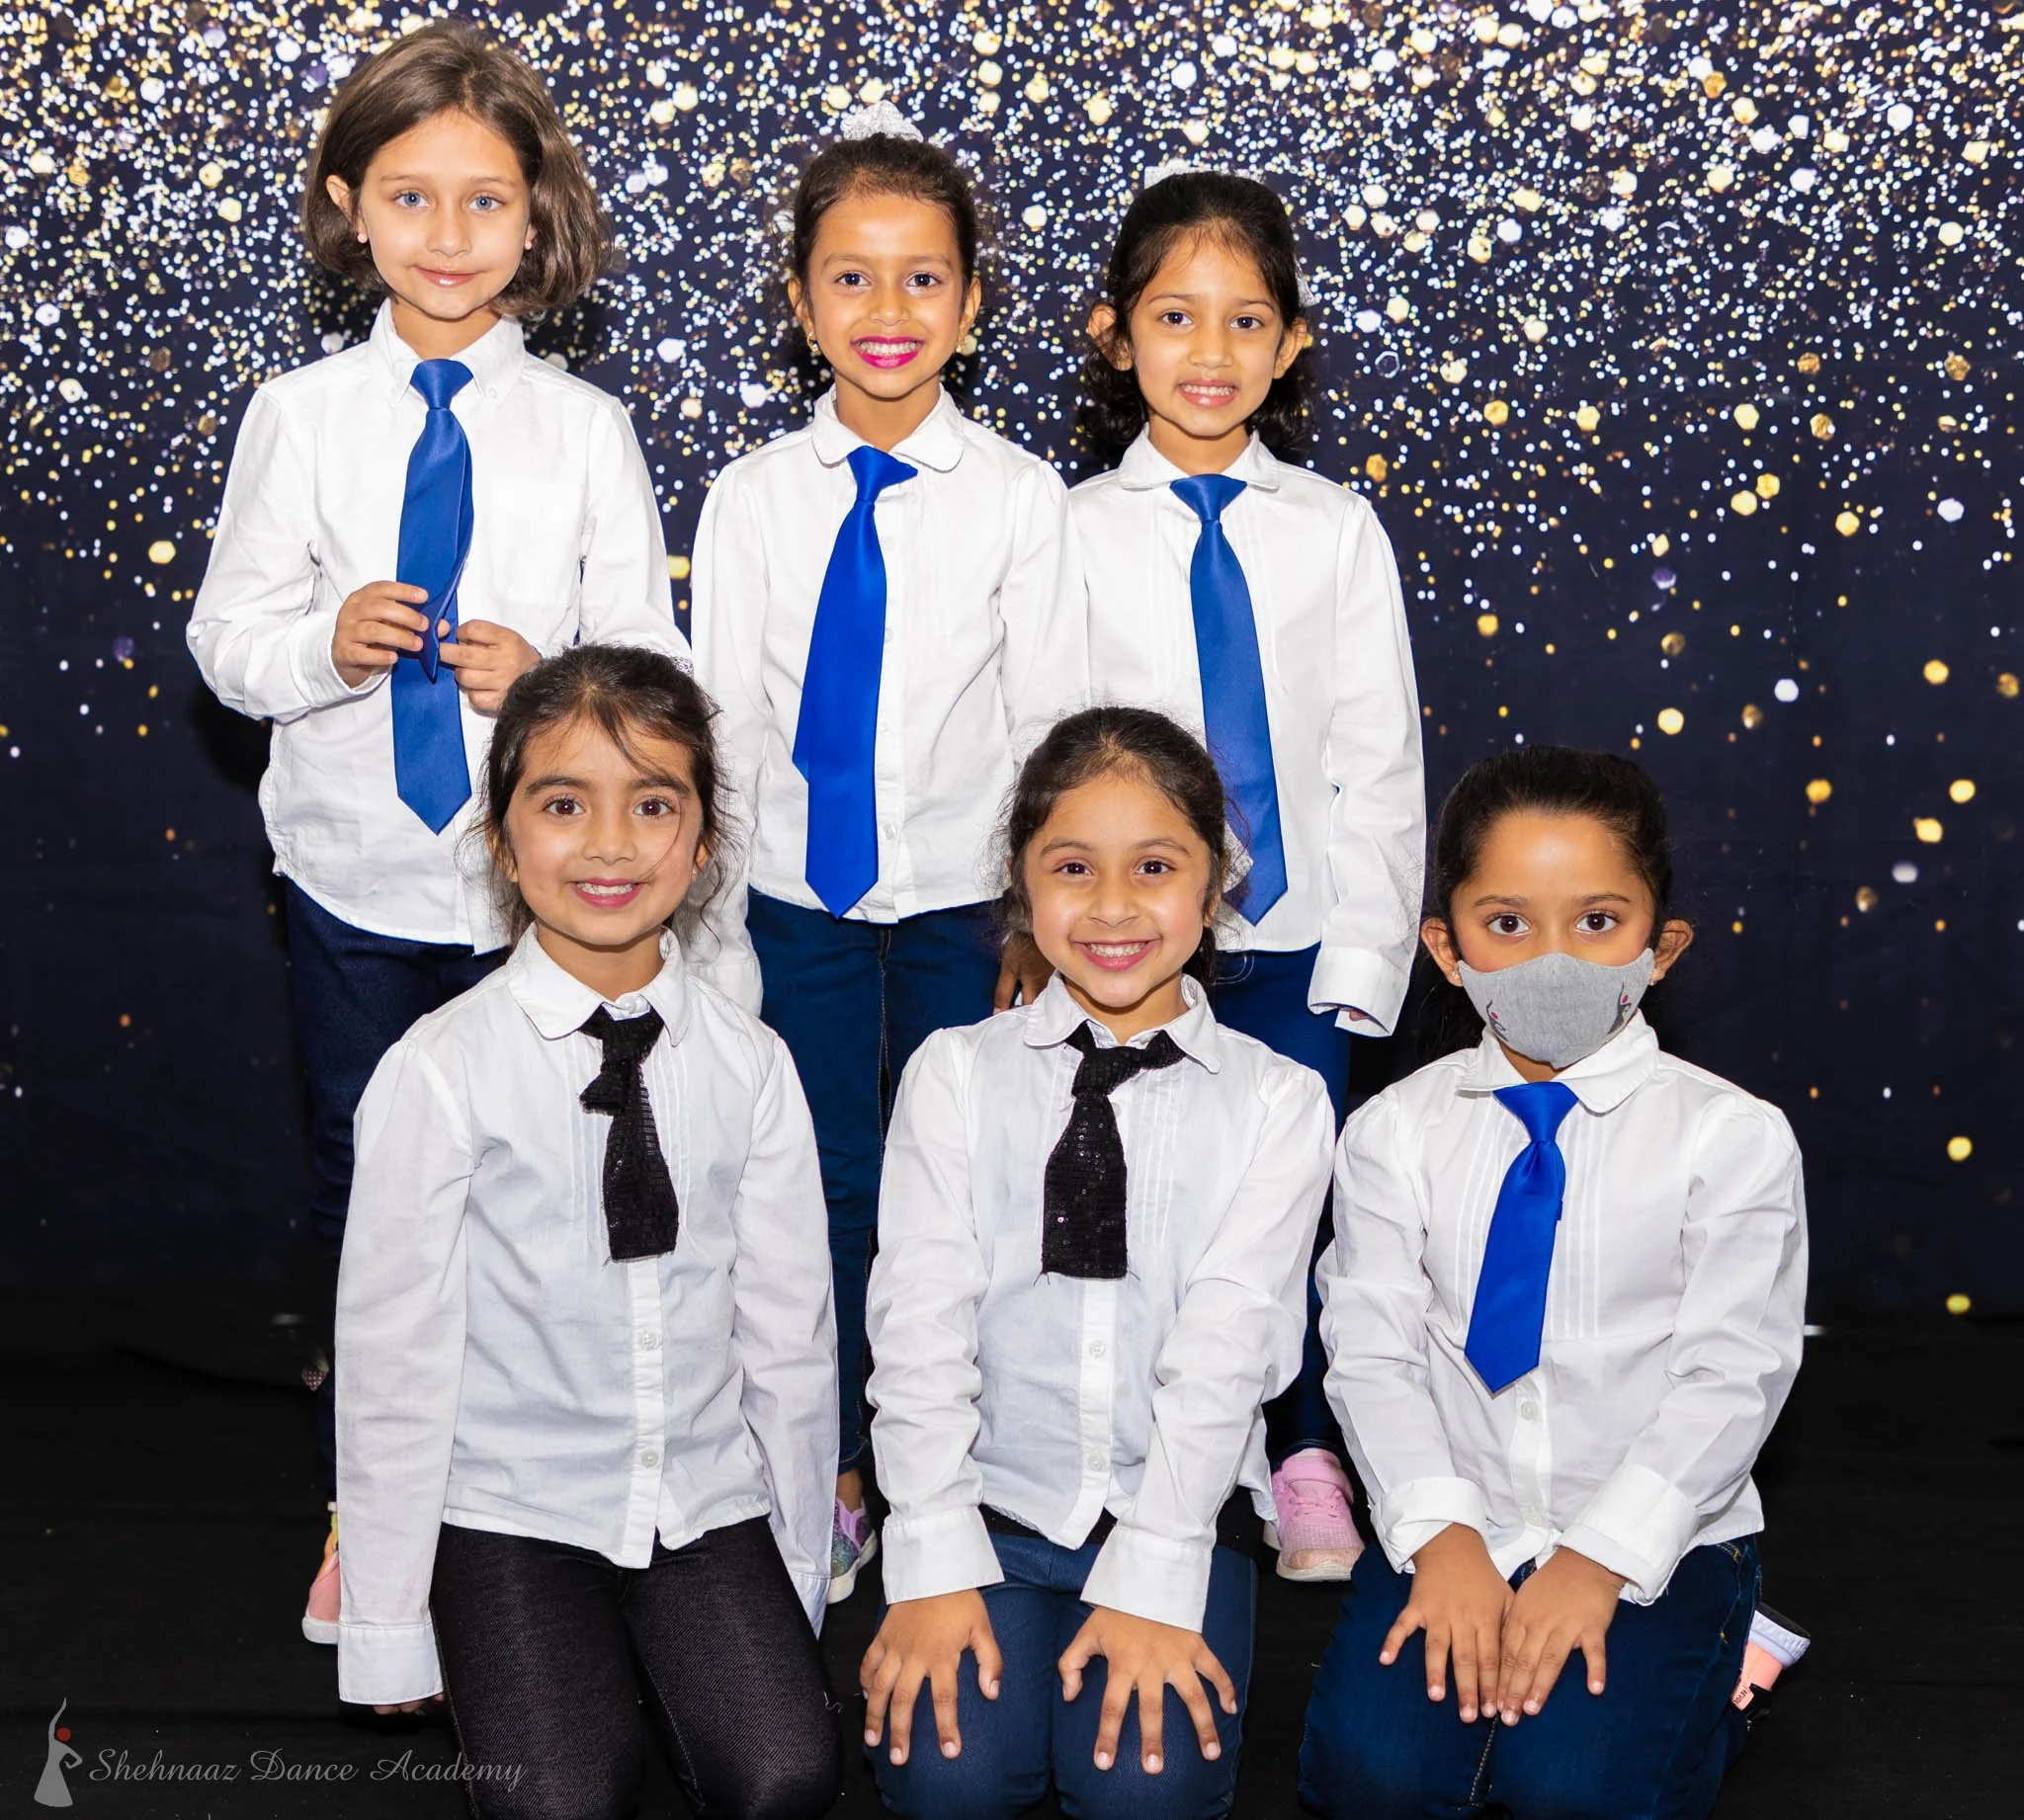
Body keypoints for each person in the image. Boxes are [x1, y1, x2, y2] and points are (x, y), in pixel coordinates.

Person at [183, 20, 685, 1640]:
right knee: (375, 1191)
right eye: (411, 197)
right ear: (349, 206)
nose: (449, 234)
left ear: (536, 216)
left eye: (485, 200)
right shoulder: (300, 415)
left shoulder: (584, 430)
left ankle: (550, 1499)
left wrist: (553, 677)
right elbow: (225, 642)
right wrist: (323, 646)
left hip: (544, 903)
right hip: (356, 879)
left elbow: (651, 669)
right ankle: (374, 1500)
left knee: (558, 1184)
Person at [690, 103, 1086, 1600]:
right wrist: (712, 927)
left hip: (964, 908)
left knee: (958, 1188)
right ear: (801, 304)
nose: (887, 309)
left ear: (972, 304)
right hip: (795, 900)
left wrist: (1036, 920)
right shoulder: (751, 497)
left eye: (923, 278)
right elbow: (722, 723)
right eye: (849, 277)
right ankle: (834, 1472)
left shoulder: (1019, 499)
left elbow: (1051, 724)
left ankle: (955, 1469)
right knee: (817, 1186)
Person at [334, 645, 840, 1820]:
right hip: (510, 1507)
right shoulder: (440, 1070)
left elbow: (790, 1341)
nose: (610, 845)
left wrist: (793, 1571)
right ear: (502, 843)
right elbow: (394, 1360)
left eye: (652, 806)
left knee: (787, 1773)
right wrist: (389, 1624)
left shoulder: (752, 1066)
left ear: (704, 844)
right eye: (563, 805)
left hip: (701, 1497)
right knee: (559, 1800)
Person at [1299, 746, 1808, 1820]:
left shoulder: (1730, 1137)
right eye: (1507, 924)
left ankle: (1726, 1680)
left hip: (1653, 1530)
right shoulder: (1393, 1133)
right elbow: (1372, 1354)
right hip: (1460, 1513)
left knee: (1570, 1792)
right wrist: (1443, 1539)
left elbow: (1732, 1377)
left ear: (1661, 946)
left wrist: (1596, 1562)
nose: (1552, 961)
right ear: (1446, 949)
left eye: (1596, 922)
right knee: (1373, 1783)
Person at [860, 705, 1334, 1818]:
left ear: (1215, 885)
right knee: (948, 1780)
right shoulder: (953, 1074)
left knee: (1142, 1794)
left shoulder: (1278, 1101)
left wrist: (1159, 1569)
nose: (1113, 907)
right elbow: (918, 1327)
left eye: (1154, 867)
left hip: (1174, 1508)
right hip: (992, 1510)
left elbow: (1227, 1356)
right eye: (1073, 868)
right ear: (1020, 885)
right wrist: (931, 1558)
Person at [1068, 168, 1425, 1581]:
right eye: (1175, 316)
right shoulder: (1073, 530)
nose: (1209, 352)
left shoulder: (1333, 529)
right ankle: (1142, 1450)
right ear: (1117, 335)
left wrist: (1363, 964)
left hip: (1297, 942)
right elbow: (1054, 749)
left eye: (1245, 320)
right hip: (1134, 942)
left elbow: (1377, 758)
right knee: (1149, 1195)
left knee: (1293, 1210)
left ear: (1291, 343)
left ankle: (1302, 1449)